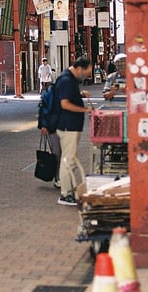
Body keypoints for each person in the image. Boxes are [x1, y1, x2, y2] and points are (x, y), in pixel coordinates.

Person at [55, 55, 94, 206]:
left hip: (70, 125)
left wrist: (80, 95)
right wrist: (85, 109)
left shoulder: (69, 79)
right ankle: (66, 194)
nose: (86, 76)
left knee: (69, 158)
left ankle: (68, 190)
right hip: (68, 126)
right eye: (86, 73)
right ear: (79, 68)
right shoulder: (66, 81)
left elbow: (69, 98)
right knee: (68, 160)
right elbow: (65, 104)